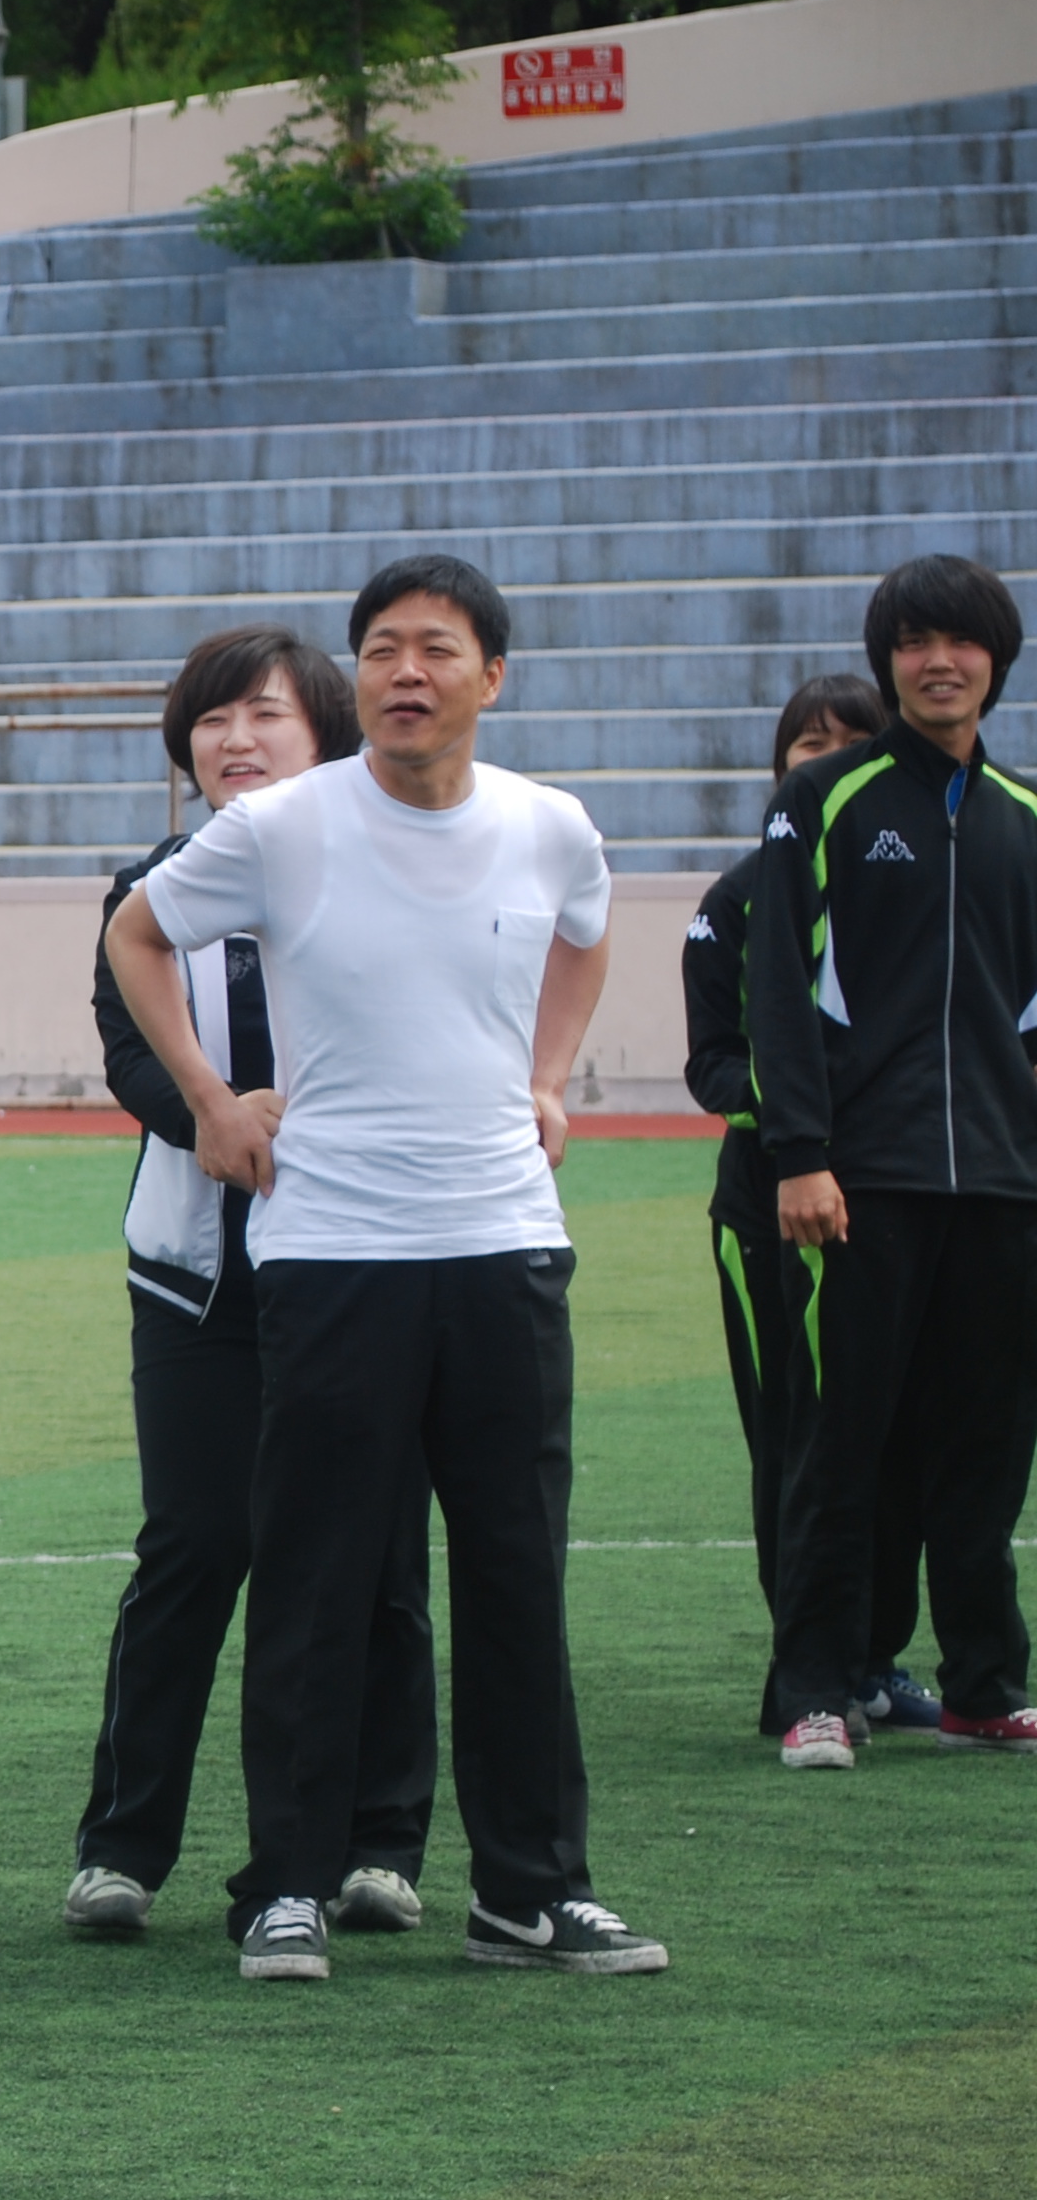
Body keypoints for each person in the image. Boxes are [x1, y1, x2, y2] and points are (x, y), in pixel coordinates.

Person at [106, 552, 669, 1984]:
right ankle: (285, 1886)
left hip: (505, 1247)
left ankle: (530, 1893)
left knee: (514, 1575)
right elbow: (136, 934)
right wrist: (211, 1101)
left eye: (435, 648)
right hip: (334, 1251)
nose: (404, 672)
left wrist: (547, 1078)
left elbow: (588, 938)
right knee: (316, 1574)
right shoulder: (284, 825)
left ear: (493, 675)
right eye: (379, 650)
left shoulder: (549, 827)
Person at [64, 627, 441, 1943]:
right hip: (195, 1275)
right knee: (192, 1547)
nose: (234, 740)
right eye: (212, 719)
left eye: (264, 715)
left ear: (323, 733)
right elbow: (127, 1051)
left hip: (367, 1264)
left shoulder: (384, 868)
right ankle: (120, 1849)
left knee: (378, 1553)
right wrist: (213, 1115)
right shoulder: (148, 889)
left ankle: (378, 1843)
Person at [744, 555, 1037, 1770]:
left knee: (985, 1447)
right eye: (912, 642)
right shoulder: (824, 799)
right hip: (857, 1185)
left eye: (959, 642)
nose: (937, 662)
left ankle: (982, 1684)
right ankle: (812, 1689)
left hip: (1003, 1188)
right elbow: (775, 989)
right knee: (839, 1443)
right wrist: (799, 1153)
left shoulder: (1024, 816)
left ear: (994, 661)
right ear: (886, 663)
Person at [681, 673, 947, 1742]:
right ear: (781, 766)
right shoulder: (735, 901)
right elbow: (710, 1063)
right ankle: (805, 1672)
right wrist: (803, 1116)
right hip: (769, 1210)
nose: (827, 755)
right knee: (796, 1441)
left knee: (900, 1437)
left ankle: (872, 1659)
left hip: (896, 1200)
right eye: (808, 741)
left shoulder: (916, 884)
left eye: (850, 739)